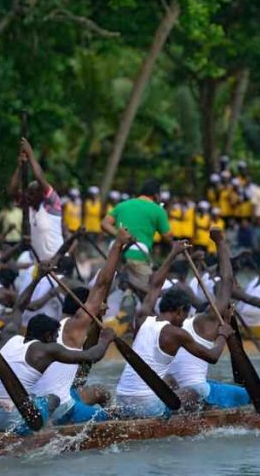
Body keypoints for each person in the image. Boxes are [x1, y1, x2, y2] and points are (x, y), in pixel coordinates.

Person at [30, 229, 131, 424]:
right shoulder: (73, 328)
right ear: (84, 310)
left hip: (42, 403)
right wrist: (117, 245)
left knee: (102, 392)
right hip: (60, 408)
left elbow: (84, 371)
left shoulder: (52, 331)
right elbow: (101, 285)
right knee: (119, 420)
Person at [114, 285, 232, 419]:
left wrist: (169, 262)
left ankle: (169, 412)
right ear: (180, 311)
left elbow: (154, 285)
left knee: (171, 380)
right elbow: (213, 357)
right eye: (185, 316)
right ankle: (188, 425)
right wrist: (223, 334)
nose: (183, 322)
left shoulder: (141, 321)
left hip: (121, 399)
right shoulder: (177, 333)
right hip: (147, 407)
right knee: (192, 393)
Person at [168, 229, 251, 409]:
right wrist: (220, 242)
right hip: (197, 391)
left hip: (179, 391)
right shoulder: (207, 323)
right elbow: (227, 281)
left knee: (221, 385)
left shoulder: (175, 326)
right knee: (250, 395)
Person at [101, 179, 172, 287]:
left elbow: (105, 224)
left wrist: (121, 236)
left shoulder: (122, 205)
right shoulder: (158, 210)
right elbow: (168, 237)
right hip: (138, 254)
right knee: (148, 291)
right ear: (156, 195)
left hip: (115, 252)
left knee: (106, 287)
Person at [9, 137, 63, 262]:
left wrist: (30, 154)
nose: (28, 196)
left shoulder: (52, 204)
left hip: (56, 262)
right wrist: (20, 166)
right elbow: (12, 190)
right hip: (39, 265)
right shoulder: (30, 206)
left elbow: (40, 179)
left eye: (32, 194)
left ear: (41, 194)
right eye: (28, 193)